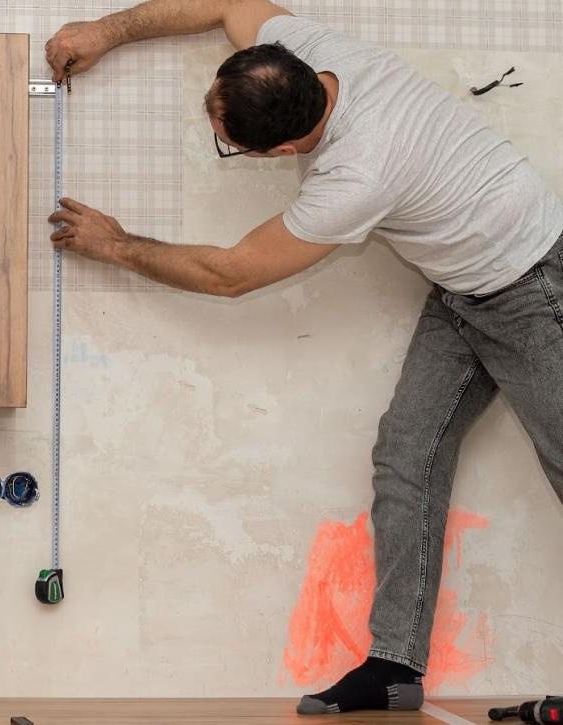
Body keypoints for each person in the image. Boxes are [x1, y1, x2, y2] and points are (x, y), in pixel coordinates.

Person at [45, 0, 563, 715]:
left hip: (534, 284)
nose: (220, 136)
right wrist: (102, 32)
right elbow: (225, 3)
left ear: (282, 152)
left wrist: (115, 243)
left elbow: (231, 273)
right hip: (467, 279)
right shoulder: (302, 45)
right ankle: (394, 666)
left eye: (227, 140)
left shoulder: (356, 174)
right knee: (407, 455)